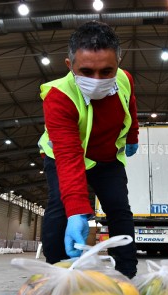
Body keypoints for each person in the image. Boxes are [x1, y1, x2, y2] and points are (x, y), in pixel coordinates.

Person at [38, 21, 139, 278]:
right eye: (86, 71)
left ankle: (127, 272)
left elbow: (131, 106)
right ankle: (57, 272)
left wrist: (132, 136)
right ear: (69, 65)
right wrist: (77, 211)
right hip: (65, 156)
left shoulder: (125, 79)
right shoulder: (58, 97)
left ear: (118, 62)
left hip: (107, 159)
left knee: (119, 209)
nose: (97, 80)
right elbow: (70, 156)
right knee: (61, 207)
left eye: (106, 71)